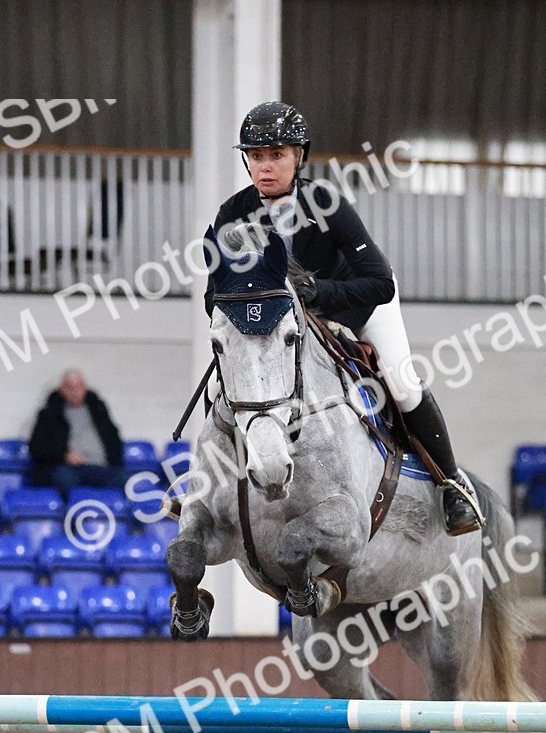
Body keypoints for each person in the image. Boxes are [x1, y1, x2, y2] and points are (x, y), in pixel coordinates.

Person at [204, 100, 484, 536]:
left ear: (299, 156)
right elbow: (214, 298)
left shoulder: (326, 203)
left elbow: (379, 283)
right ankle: (207, 491)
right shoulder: (232, 214)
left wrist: (318, 294)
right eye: (256, 156)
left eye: (276, 154)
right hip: (286, 322)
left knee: (402, 384)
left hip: (356, 304)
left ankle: (451, 485)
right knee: (228, 387)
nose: (265, 166)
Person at [29, 370, 126, 498]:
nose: (74, 392)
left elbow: (114, 440)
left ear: (84, 388)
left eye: (78, 387)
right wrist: (64, 456)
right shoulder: (49, 414)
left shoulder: (99, 411)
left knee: (125, 479)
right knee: (63, 478)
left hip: (101, 467)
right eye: (70, 388)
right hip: (68, 469)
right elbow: (37, 447)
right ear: (61, 389)